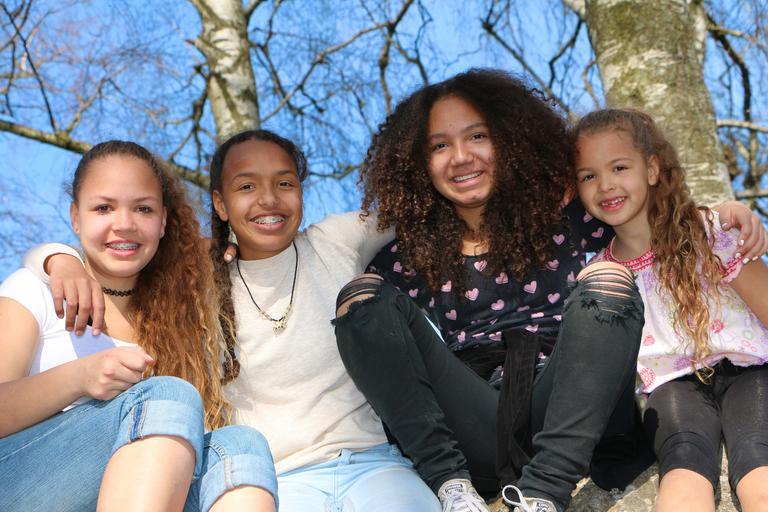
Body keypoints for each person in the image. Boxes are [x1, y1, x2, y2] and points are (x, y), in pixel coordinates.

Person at [330, 69, 768, 512]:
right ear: (417, 163)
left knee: (608, 281)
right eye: (439, 146)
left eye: (477, 136)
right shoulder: (409, 254)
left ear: (508, 139)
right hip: (477, 421)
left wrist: (723, 214)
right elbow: (372, 341)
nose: (461, 157)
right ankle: (448, 483)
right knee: (361, 300)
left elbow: (651, 215)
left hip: (574, 406)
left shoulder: (571, 216)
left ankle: (544, 494)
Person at [31, 131, 442, 511]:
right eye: (247, 187)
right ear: (220, 204)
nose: (268, 199)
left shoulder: (336, 240)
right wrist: (59, 258)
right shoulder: (199, 278)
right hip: (275, 480)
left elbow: (418, 205)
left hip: (374, 464)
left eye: (285, 183)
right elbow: (117, 246)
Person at [2, 141, 277, 512]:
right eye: (103, 208)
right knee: (166, 396)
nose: (125, 224)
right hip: (19, 483)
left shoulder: (180, 317)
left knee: (241, 447)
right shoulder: (36, 288)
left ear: (162, 222)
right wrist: (78, 378)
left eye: (143, 209)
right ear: (76, 217)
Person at [573, 109, 768, 512]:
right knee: (682, 462)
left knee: (757, 455)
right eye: (588, 176)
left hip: (750, 372)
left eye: (619, 167)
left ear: (651, 169)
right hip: (671, 386)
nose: (605, 185)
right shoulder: (600, 275)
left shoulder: (711, 232)